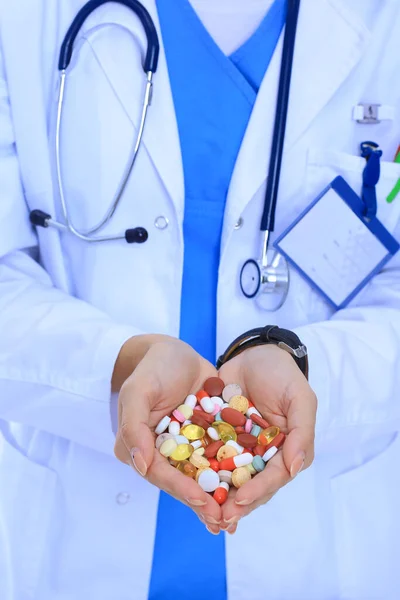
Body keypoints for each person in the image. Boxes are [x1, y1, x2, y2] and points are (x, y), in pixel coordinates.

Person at [0, 0, 399, 598]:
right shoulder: (26, 17)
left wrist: (302, 364)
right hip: (74, 542)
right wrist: (121, 361)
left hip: (320, 547)